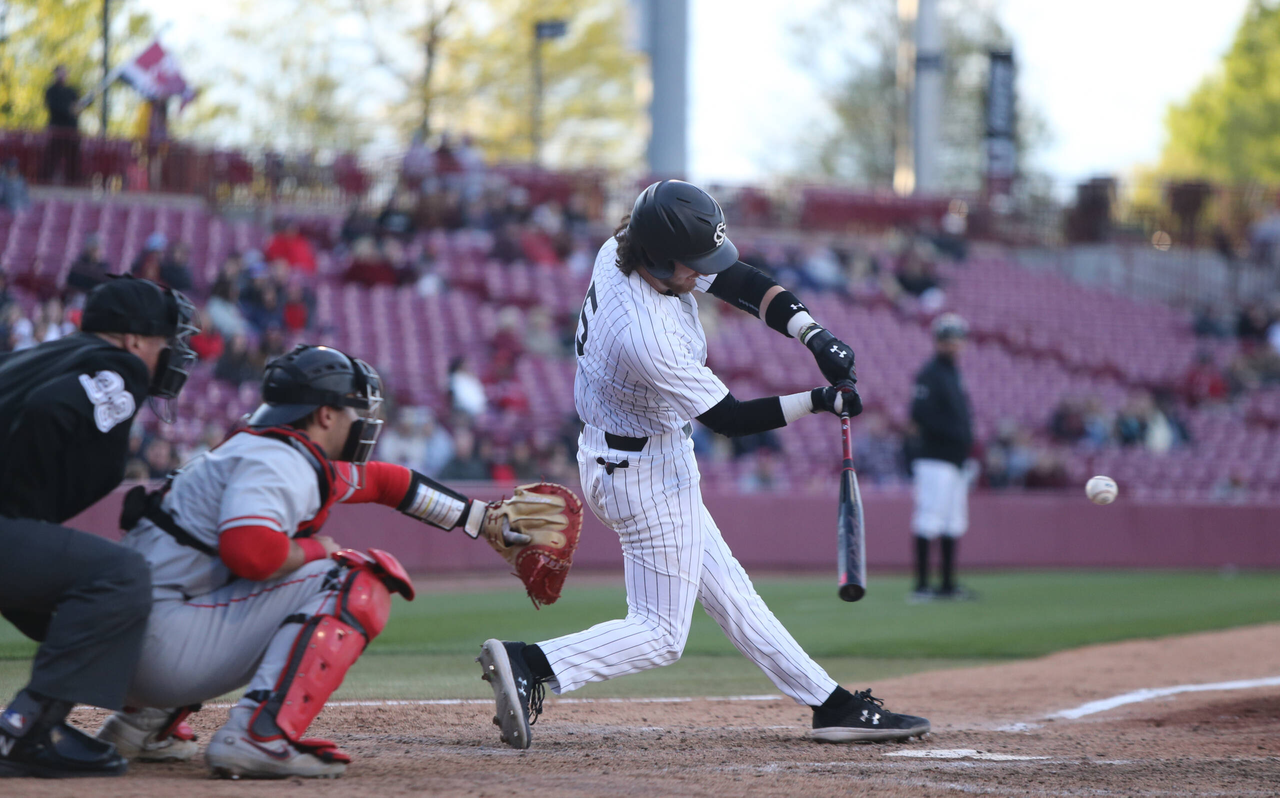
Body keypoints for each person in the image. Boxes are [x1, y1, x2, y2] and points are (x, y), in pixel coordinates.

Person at [477, 180, 929, 750]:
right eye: (692, 263)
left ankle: (831, 704)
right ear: (659, 257)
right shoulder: (645, 333)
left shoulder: (629, 247)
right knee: (661, 633)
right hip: (642, 472)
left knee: (733, 595)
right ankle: (531, 663)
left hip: (632, 454)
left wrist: (812, 334)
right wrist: (818, 400)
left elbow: (738, 279)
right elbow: (731, 419)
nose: (701, 273)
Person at [94, 345, 531, 779]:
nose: (363, 422)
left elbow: (386, 482)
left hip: (120, 645)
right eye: (355, 411)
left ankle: (140, 725)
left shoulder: (260, 447)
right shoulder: (280, 460)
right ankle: (258, 737)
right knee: (354, 578)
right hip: (161, 650)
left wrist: (481, 518)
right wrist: (318, 549)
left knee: (260, 571)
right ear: (325, 415)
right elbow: (249, 552)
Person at [0, 276, 198, 777]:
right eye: (163, 341)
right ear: (133, 340)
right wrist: (21, 504)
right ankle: (28, 730)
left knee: (61, 599)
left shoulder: (42, 356)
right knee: (118, 575)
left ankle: (41, 720)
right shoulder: (120, 366)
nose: (169, 353)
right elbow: (50, 409)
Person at [907, 313, 975, 602]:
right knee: (929, 518)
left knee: (952, 521)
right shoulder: (931, 373)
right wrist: (954, 434)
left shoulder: (953, 373)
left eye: (957, 339)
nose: (953, 344)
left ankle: (947, 584)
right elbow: (919, 414)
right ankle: (922, 586)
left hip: (955, 459)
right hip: (934, 457)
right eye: (948, 339)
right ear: (938, 341)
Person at [41, 65, 82, 184]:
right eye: (60, 72)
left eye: (64, 73)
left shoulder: (72, 91)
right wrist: (68, 110)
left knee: (72, 158)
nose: (62, 75)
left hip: (71, 132)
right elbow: (52, 107)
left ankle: (72, 182)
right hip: (56, 130)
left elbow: (78, 107)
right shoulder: (50, 91)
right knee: (52, 156)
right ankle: (47, 180)